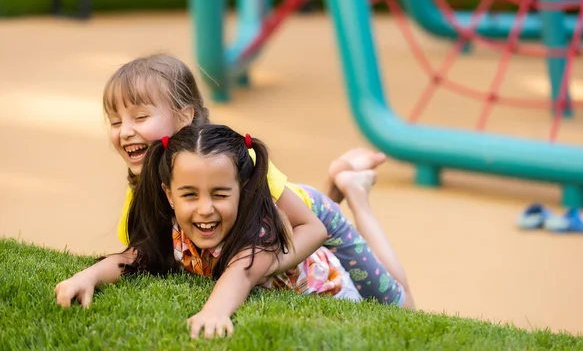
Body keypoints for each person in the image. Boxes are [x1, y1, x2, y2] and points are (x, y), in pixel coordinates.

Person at [54, 54, 414, 315]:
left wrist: (264, 264)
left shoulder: (235, 160)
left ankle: (354, 191)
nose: (125, 130)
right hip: (272, 220)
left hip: (312, 214)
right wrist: (92, 275)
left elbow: (309, 227)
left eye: (140, 117)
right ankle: (341, 180)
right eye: (115, 121)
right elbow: (143, 251)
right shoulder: (147, 185)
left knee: (400, 304)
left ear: (184, 117)